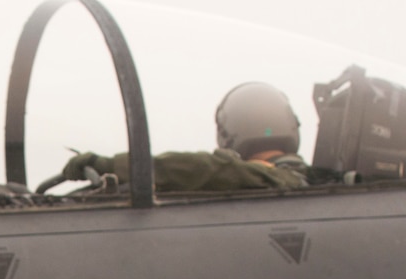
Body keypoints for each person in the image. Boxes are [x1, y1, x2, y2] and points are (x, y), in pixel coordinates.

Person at [47, 80, 312, 194]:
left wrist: (111, 167)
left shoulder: (289, 182)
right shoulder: (288, 184)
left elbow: (206, 169)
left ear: (227, 133)